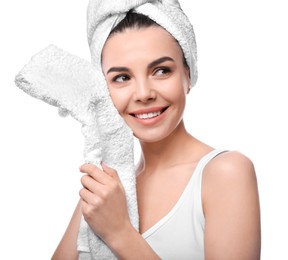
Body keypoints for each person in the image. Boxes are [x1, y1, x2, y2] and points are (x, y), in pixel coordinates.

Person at [52, 6, 261, 260]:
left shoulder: (225, 173)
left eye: (161, 71)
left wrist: (119, 232)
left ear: (187, 74)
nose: (143, 93)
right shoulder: (109, 186)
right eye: (121, 77)